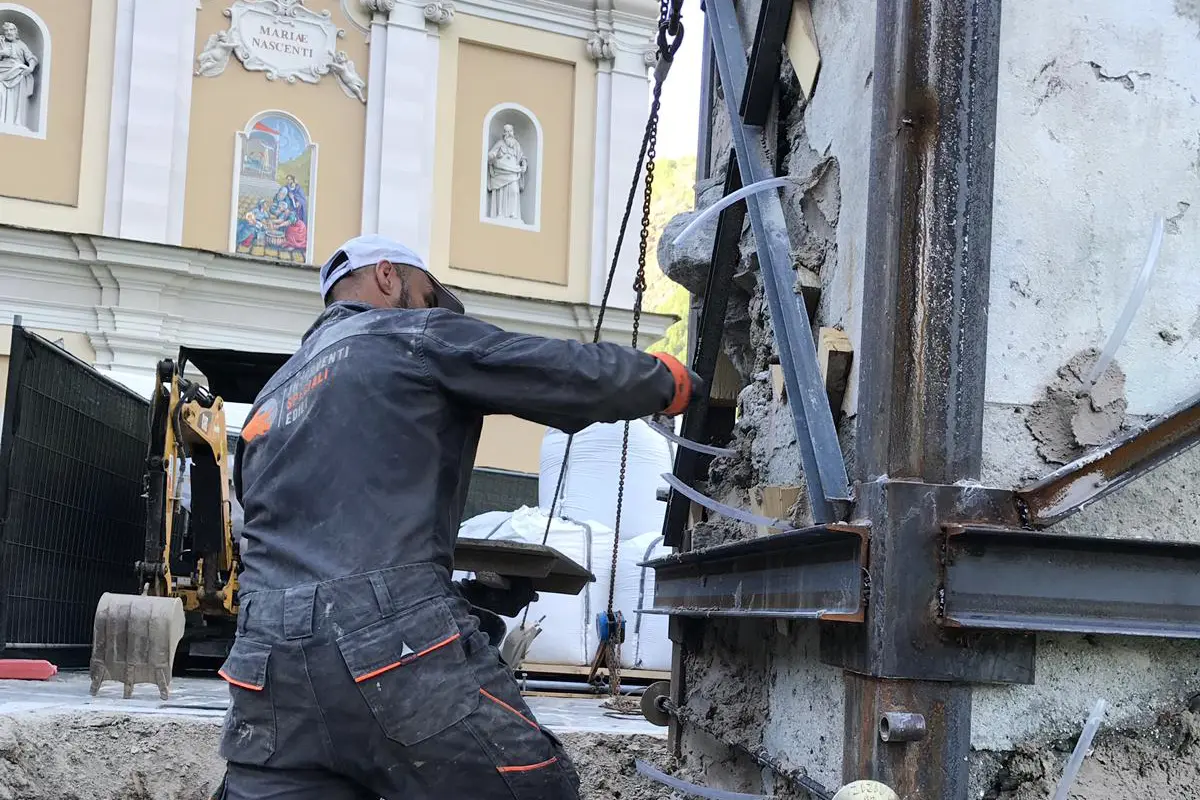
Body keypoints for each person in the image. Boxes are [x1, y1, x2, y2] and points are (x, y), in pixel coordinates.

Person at [214, 234, 701, 799]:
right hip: (387, 654)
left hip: (267, 671)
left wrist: (466, 600)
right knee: (533, 790)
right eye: (427, 295)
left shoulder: (271, 397)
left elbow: (309, 558)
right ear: (388, 276)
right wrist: (665, 382)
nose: (430, 309)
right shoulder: (408, 336)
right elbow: (551, 369)